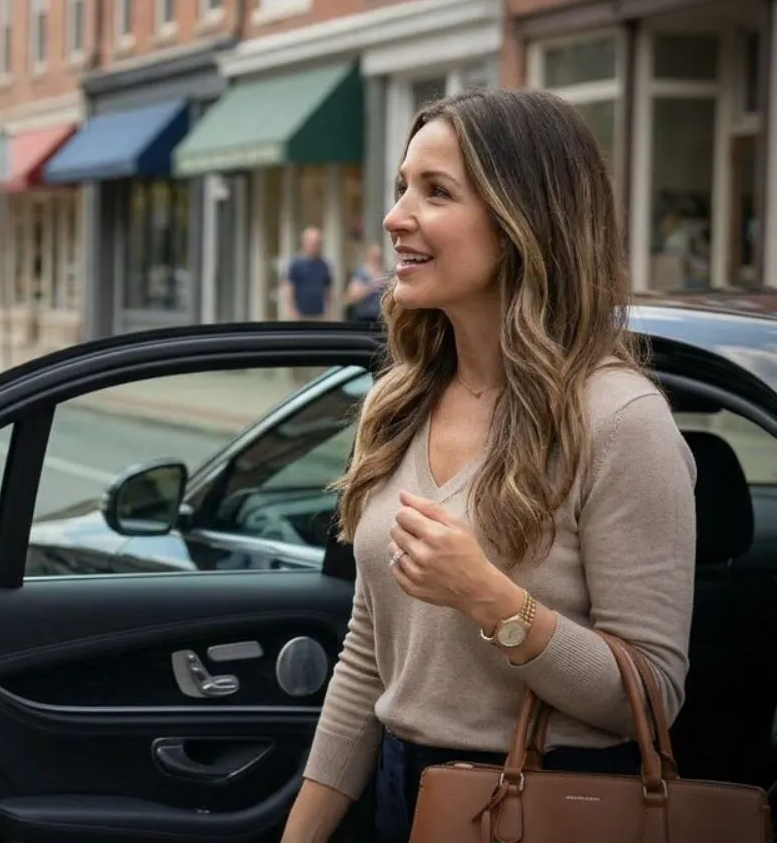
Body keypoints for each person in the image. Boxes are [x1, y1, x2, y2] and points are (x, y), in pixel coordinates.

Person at [279, 89, 697, 843]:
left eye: (436, 192)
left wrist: (493, 602)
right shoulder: (397, 404)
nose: (396, 216)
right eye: (403, 186)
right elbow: (371, 658)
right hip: (401, 797)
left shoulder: (618, 420)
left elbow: (652, 695)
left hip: (546, 805)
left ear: (521, 221)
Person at [285, 226, 332, 321]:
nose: (315, 246)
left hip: (319, 314)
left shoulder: (324, 265)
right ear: (304, 243)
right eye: (312, 243)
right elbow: (289, 288)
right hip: (300, 314)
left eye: (318, 243)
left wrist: (329, 310)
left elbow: (328, 289)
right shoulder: (296, 264)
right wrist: (291, 310)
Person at [343, 244, 387, 322]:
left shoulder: (385, 273)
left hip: (380, 317)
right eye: (375, 257)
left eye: (379, 257)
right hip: (364, 317)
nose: (378, 260)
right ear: (369, 256)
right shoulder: (361, 274)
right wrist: (371, 286)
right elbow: (353, 296)